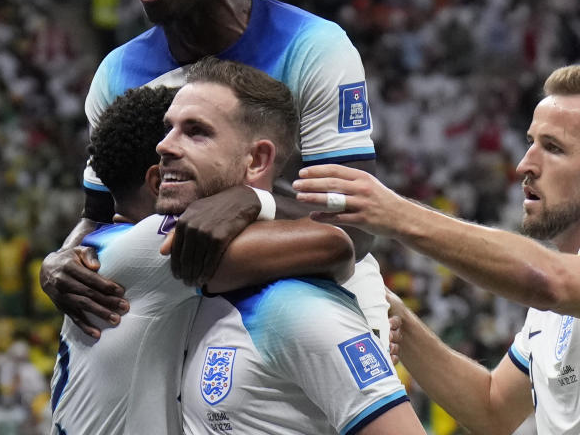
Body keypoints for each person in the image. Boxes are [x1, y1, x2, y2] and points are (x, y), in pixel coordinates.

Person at [40, 0, 388, 347]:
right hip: (186, 319)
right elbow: (98, 217)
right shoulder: (117, 73)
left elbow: (356, 224)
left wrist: (255, 201)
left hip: (307, 313)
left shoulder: (313, 45)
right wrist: (58, 260)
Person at [294, 61, 580, 435]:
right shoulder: (557, 297)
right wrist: (392, 313)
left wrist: (398, 215)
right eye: (531, 141)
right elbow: (492, 410)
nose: (524, 164)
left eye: (552, 148)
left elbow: (547, 281)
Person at [51, 65, 388, 435]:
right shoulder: (152, 246)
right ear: (156, 180)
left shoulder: (109, 254)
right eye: (170, 131)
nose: (168, 145)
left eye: (194, 133)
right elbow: (336, 244)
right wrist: (256, 198)